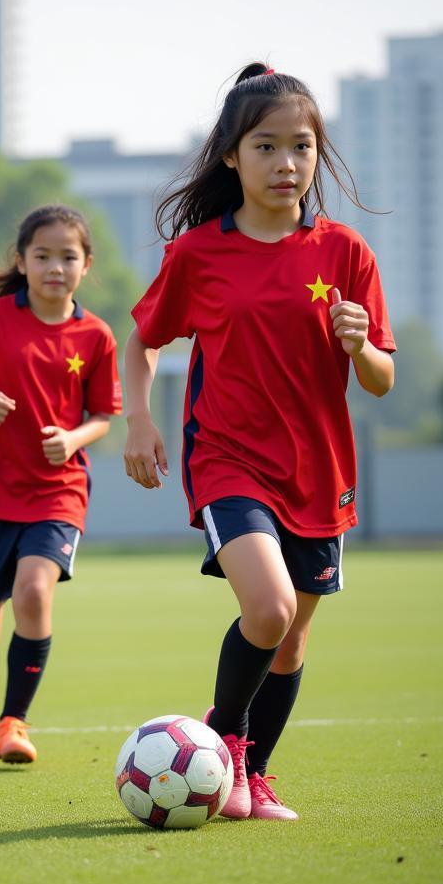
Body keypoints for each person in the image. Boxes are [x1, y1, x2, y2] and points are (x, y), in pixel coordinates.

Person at [123, 64, 396, 820]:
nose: (286, 163)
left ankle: (255, 773)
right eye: (266, 146)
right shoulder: (199, 255)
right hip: (228, 461)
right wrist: (139, 419)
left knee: (292, 637)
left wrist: (360, 344)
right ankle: (225, 745)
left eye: (301, 146)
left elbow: (381, 381)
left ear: (318, 154)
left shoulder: (346, 253)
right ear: (231, 158)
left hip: (320, 471)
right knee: (269, 609)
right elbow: (141, 342)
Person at [0, 204, 122, 765]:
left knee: (35, 594)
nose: (54, 267)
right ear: (22, 261)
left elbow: (103, 416)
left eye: (68, 256)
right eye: (42, 255)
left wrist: (73, 439)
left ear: (86, 264)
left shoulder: (96, 335)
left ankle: (13, 723)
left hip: (56, 492)